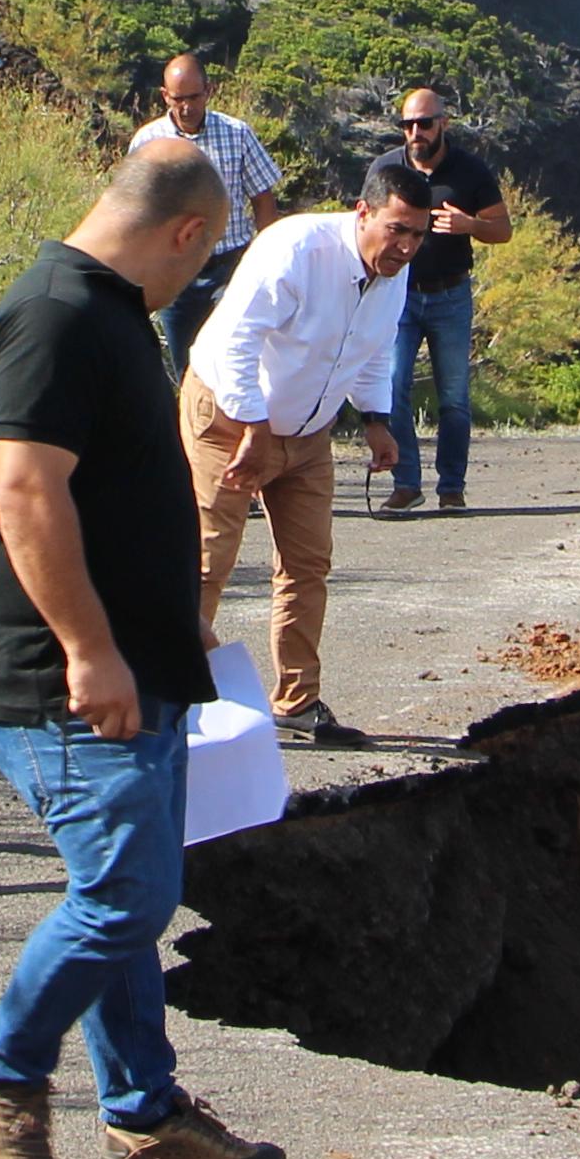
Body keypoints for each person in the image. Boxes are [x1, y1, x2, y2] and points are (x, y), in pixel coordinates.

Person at [0, 144, 289, 1159]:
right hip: (67, 680)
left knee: (131, 894)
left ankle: (145, 1114)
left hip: (136, 669)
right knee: (126, 894)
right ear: (188, 232)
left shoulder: (100, 311)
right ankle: (0, 1077)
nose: (201, 277)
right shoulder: (56, 315)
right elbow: (25, 494)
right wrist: (92, 652)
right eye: (207, 256)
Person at [183, 161, 434, 749]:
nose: (405, 246)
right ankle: (177, 699)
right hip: (229, 417)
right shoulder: (295, 248)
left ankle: (296, 702)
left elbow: (373, 350)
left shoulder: (393, 272)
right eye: (397, 229)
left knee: (306, 564)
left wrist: (376, 420)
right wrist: (254, 427)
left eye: (418, 235)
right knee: (205, 562)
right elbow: (237, 343)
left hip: (308, 431)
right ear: (363, 212)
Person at [375, 84, 513, 515]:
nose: (416, 132)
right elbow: (366, 221)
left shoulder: (469, 171)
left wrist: (469, 224)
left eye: (425, 123)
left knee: (453, 397)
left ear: (443, 124)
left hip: (450, 294)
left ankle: (451, 487)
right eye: (408, 125)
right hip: (398, 296)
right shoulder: (386, 169)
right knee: (392, 387)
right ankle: (406, 483)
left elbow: (502, 230)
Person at [128, 53, 288, 378]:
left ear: (208, 91)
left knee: (233, 359)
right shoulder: (147, 141)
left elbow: (263, 199)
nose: (186, 107)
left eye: (193, 97)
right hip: (174, 269)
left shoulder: (237, 133)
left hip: (227, 266)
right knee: (185, 368)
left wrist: (267, 258)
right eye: (177, 99)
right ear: (164, 96)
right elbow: (135, 209)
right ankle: (190, 428)